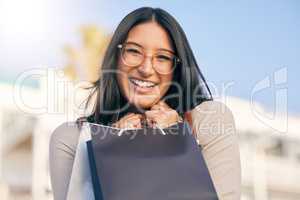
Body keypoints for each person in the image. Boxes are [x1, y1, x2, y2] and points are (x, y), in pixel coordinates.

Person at [49, 7, 241, 200]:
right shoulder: (72, 139)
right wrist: (114, 151)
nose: (146, 68)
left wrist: (176, 144)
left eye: (163, 57)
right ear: (116, 57)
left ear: (177, 67)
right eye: (133, 51)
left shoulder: (209, 120)